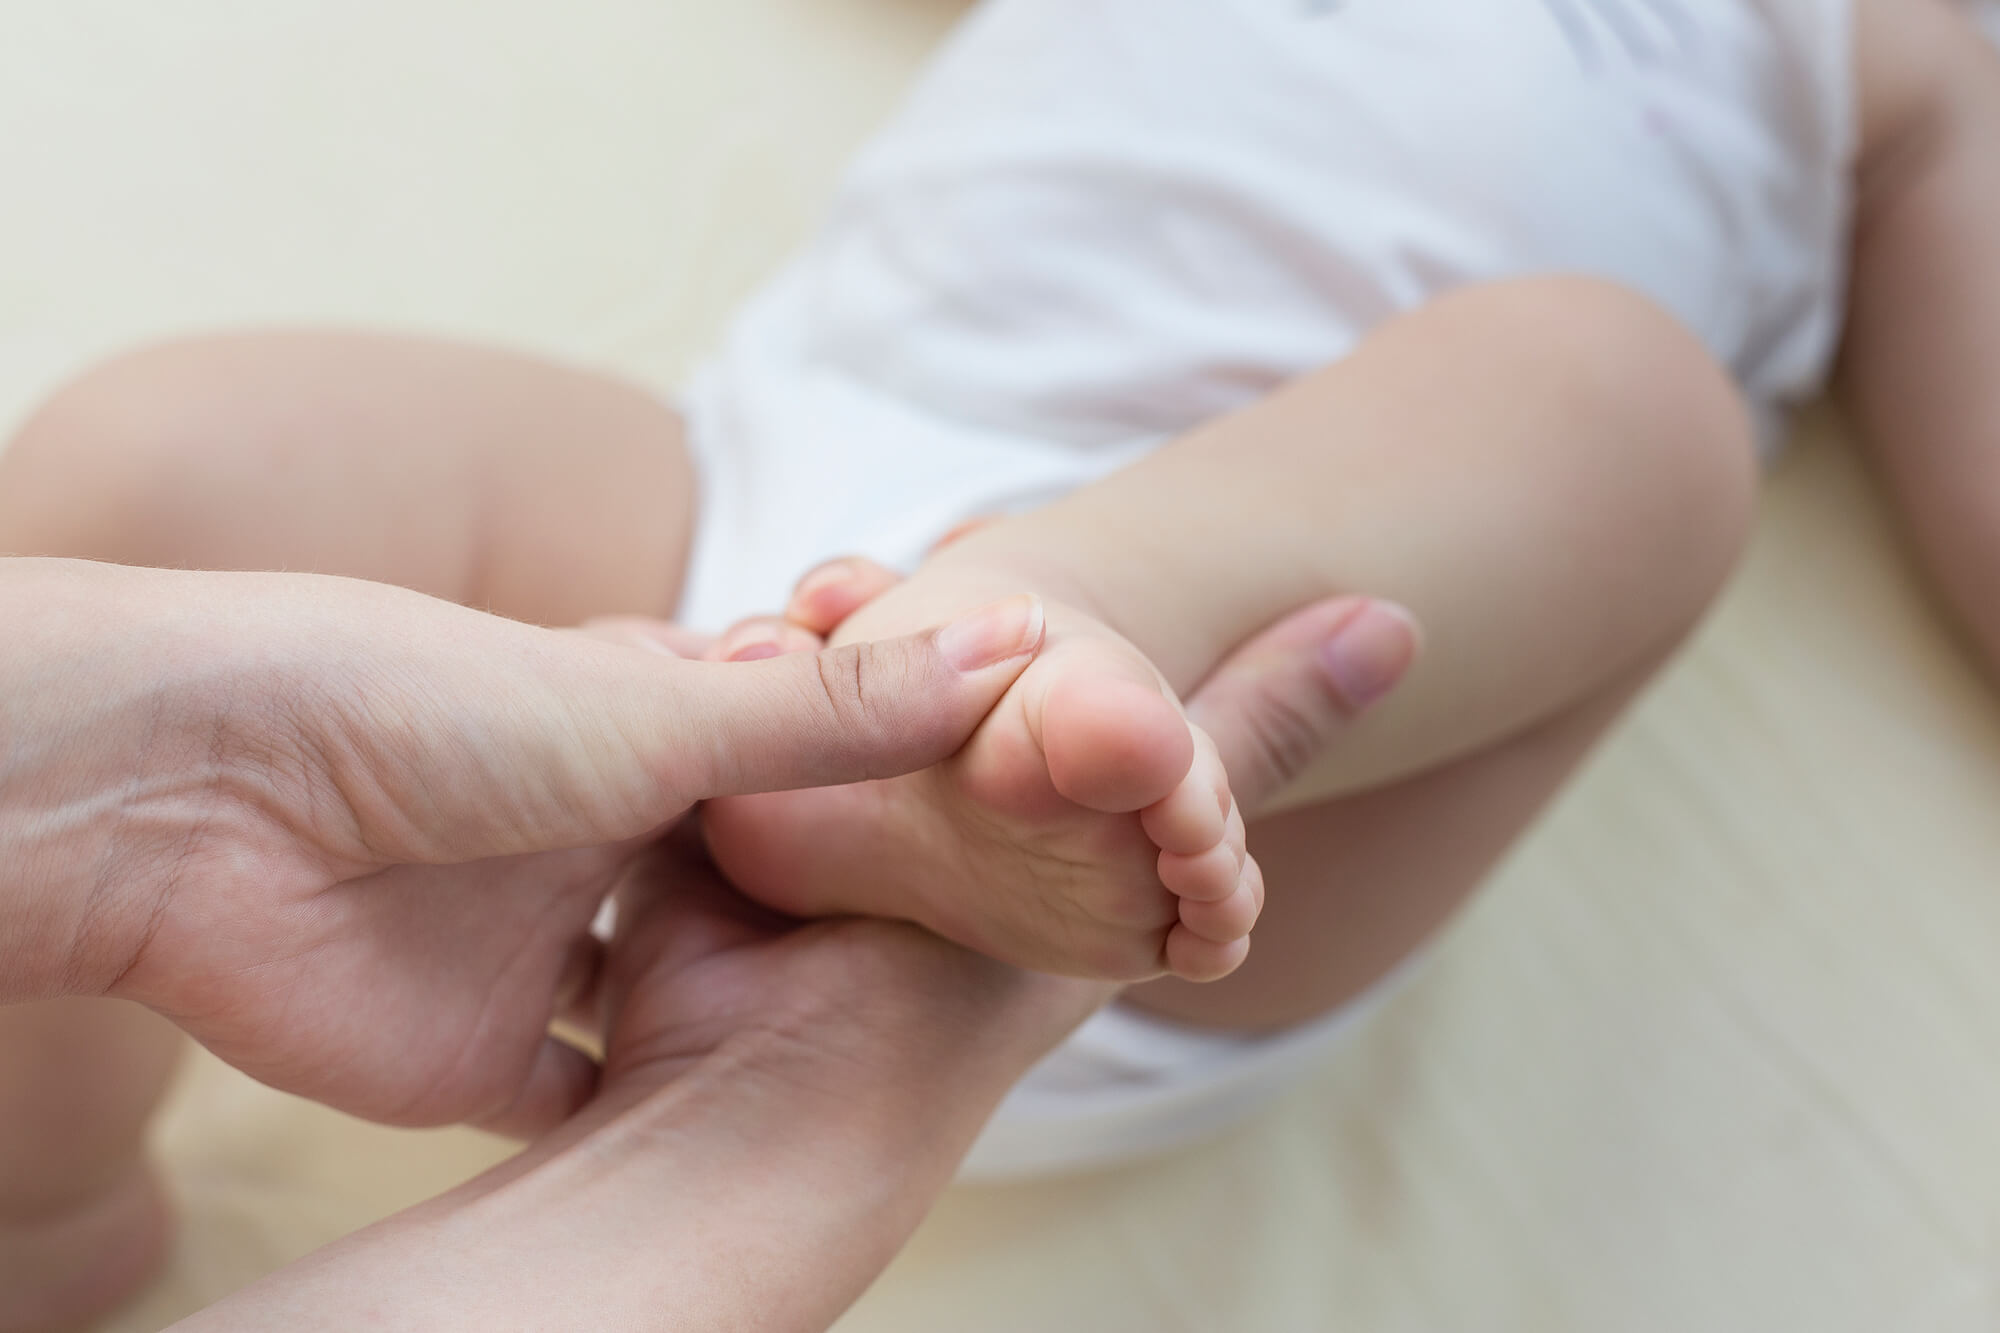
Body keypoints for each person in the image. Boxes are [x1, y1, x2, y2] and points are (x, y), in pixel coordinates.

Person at [10, 0, 1998, 1299]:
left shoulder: (1894, 42)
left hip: (1222, 766)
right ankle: (41, 1202)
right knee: (163, 460)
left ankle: (1028, 654)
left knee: (1611, 397)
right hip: (735, 565)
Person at [0, 554, 1418, 1328]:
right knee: (1588, 369)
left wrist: (187, 778)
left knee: (1587, 366)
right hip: (754, 565)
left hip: (735, 589)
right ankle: (990, 665)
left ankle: (1011, 657)